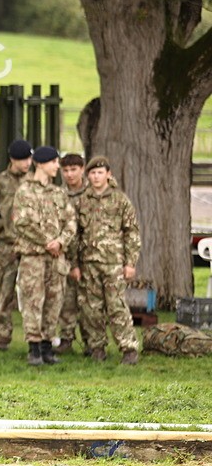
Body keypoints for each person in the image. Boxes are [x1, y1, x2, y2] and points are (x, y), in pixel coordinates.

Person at [71, 155, 142, 364]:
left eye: (100, 172)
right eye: (92, 173)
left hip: (113, 264)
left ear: (108, 174)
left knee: (117, 306)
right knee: (91, 308)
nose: (96, 177)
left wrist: (130, 263)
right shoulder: (82, 200)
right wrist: (74, 264)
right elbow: (75, 234)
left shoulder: (120, 200)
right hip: (88, 263)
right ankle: (96, 348)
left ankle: (128, 349)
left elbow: (132, 233)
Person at [12, 145, 75, 365]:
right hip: (33, 258)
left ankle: (48, 346)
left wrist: (60, 241)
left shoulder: (59, 193)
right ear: (41, 163)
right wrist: (46, 242)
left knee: (54, 301)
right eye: (54, 162)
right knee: (32, 301)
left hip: (56, 258)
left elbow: (71, 222)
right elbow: (21, 222)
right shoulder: (25, 190)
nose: (58, 166)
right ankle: (34, 348)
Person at [0, 138, 34, 350]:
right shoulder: (0, 182)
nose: (27, 163)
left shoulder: (34, 181)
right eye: (23, 160)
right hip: (7, 246)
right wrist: (0, 233)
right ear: (13, 159)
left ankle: (35, 338)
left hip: (32, 246)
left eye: (29, 159)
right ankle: (3, 337)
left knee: (33, 292)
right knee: (5, 292)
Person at [56, 153, 88, 353]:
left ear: (82, 169)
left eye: (73, 170)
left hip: (90, 254)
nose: (69, 174)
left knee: (89, 302)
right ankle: (66, 338)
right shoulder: (59, 195)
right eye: (65, 170)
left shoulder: (92, 193)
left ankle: (90, 341)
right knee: (67, 300)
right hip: (67, 254)